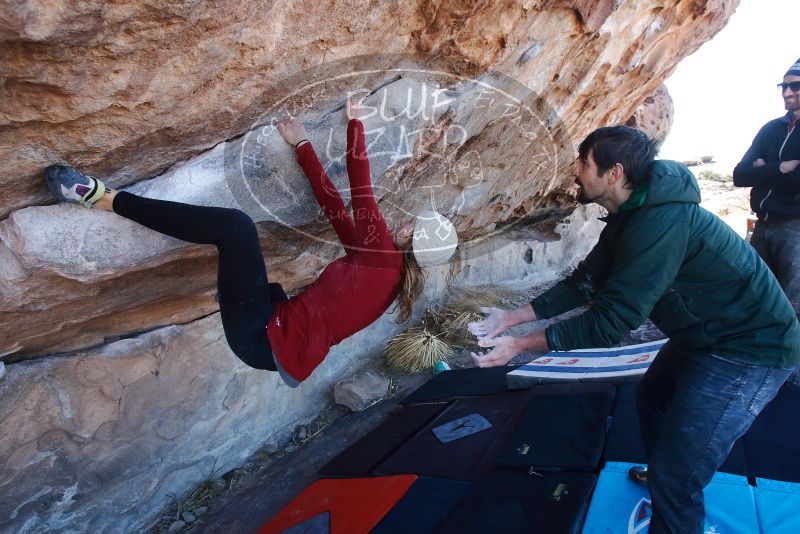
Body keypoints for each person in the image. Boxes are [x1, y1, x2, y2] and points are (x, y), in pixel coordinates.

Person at [468, 126, 800, 532]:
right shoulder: (632, 217)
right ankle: (663, 468)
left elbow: (611, 322)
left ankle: (671, 481)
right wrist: (511, 317)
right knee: (653, 399)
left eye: (584, 163)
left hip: (749, 348)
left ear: (614, 173)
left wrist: (519, 346)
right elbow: (585, 282)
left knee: (678, 477)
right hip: (703, 333)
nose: (575, 172)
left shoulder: (658, 223)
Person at [43, 101, 428, 387]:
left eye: (412, 223)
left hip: (261, 333)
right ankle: (109, 200)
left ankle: (102, 197)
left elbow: (361, 184)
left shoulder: (381, 255)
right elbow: (334, 208)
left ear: (409, 236)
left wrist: (356, 122)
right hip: (270, 335)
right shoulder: (383, 267)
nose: (405, 221)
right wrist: (302, 146)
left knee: (235, 228)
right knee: (245, 250)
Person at [733, 58, 800, 329]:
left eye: (794, 86)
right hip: (764, 224)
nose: (786, 93)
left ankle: (790, 364)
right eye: (783, 86)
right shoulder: (771, 129)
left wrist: (763, 170)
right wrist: (780, 167)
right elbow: (740, 175)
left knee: (792, 302)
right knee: (755, 292)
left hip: (795, 228)